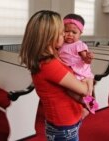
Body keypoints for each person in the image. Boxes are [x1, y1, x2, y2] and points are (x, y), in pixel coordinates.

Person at [19, 10, 93, 141]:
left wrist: (83, 106)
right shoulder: (50, 64)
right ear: (49, 37)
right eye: (61, 32)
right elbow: (84, 90)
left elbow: (67, 91)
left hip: (67, 119)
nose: (65, 35)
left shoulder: (50, 58)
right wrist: (88, 77)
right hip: (64, 124)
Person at [58, 13, 98, 114]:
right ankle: (85, 104)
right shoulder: (61, 44)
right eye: (67, 31)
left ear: (80, 33)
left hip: (81, 73)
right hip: (70, 73)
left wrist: (88, 57)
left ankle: (90, 104)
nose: (70, 34)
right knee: (70, 92)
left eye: (74, 32)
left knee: (86, 92)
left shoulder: (79, 45)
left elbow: (86, 59)